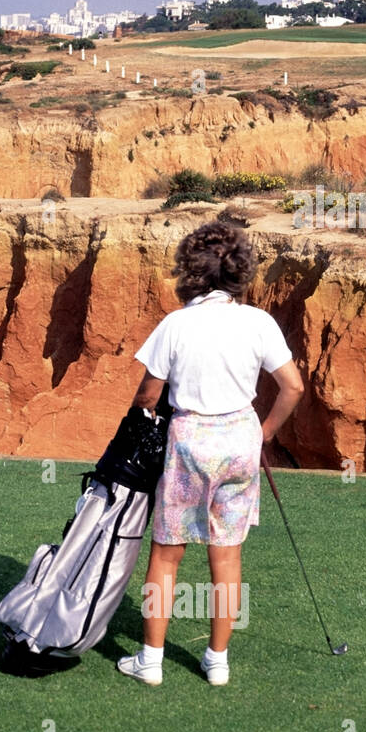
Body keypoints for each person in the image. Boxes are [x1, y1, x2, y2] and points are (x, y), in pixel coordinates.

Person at [118, 220, 304, 687]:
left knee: (166, 555)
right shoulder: (257, 322)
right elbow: (293, 387)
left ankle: (151, 661)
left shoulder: (176, 324)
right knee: (227, 556)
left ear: (191, 270)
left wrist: (146, 415)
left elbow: (148, 393)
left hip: (190, 441)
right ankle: (217, 661)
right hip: (240, 437)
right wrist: (262, 433)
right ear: (241, 269)